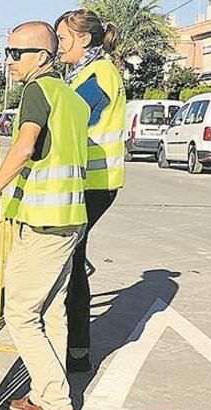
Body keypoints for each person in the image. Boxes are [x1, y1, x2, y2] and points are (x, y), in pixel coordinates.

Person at [0, 21, 89, 410]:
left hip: (44, 224)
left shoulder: (39, 90)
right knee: (50, 313)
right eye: (8, 52)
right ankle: (45, 392)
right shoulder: (71, 98)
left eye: (18, 53)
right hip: (69, 219)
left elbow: (25, 145)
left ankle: (56, 403)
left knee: (18, 313)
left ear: (43, 57)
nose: (9, 61)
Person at [55, 9, 127, 373]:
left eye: (63, 39)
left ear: (85, 39)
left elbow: (64, 119)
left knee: (69, 263)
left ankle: (76, 350)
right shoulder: (84, 71)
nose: (58, 46)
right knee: (73, 261)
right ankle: (77, 349)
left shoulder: (99, 74)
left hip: (95, 183)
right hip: (89, 183)